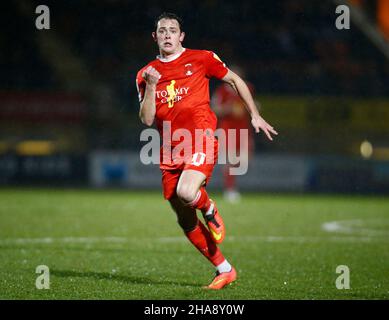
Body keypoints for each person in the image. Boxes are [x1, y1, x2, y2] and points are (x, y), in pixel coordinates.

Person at [136, 12, 277, 290]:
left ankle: (209, 207)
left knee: (187, 193)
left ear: (181, 36)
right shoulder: (145, 74)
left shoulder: (202, 58)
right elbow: (147, 119)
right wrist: (152, 87)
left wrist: (255, 115)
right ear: (155, 37)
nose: (167, 35)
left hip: (200, 138)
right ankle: (224, 269)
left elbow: (235, 80)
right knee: (184, 218)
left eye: (172, 30)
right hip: (169, 150)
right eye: (162, 31)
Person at [211, 65, 255, 203]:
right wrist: (228, 108)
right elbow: (215, 109)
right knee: (229, 161)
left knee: (245, 160)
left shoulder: (248, 88)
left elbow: (252, 106)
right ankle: (230, 189)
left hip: (243, 129)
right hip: (227, 129)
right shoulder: (222, 90)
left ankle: (230, 185)